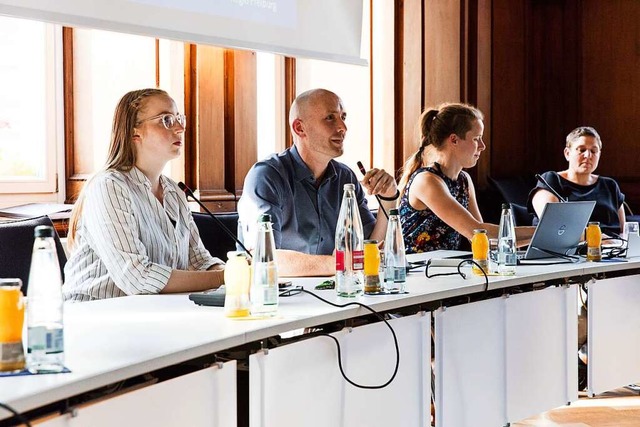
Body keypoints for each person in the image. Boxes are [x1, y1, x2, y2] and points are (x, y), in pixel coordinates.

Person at [63, 88, 224, 301]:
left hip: (149, 315)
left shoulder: (175, 192)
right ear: (134, 132)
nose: (180, 128)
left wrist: (242, 272)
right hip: (93, 318)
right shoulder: (108, 187)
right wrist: (224, 278)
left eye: (178, 118)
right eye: (166, 120)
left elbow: (199, 261)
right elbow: (137, 277)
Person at [237, 88, 398, 277]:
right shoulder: (266, 176)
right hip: (277, 297)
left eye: (343, 117)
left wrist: (389, 198)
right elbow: (263, 256)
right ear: (300, 128)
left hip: (336, 293)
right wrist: (337, 263)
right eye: (330, 118)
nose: (343, 128)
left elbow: (371, 245)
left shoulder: (345, 177)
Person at [397, 103, 534, 253]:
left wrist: (543, 237)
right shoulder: (427, 181)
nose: (482, 146)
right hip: (417, 272)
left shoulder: (464, 180)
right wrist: (541, 232)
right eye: (476, 139)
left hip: (444, 270)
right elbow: (477, 232)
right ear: (454, 140)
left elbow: (484, 242)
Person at [527, 126, 625, 236]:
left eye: (593, 151)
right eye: (582, 150)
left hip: (613, 250)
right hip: (566, 251)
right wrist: (598, 239)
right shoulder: (551, 180)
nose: (588, 155)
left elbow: (623, 231)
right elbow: (554, 226)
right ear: (567, 153)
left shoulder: (610, 185)